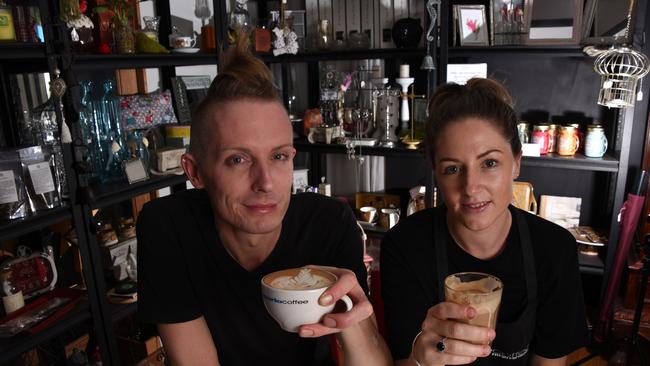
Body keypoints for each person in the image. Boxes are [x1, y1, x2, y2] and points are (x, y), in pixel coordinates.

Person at [136, 36, 391, 366]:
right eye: (237, 160)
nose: (266, 183)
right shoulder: (168, 226)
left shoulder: (328, 223)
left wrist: (352, 319)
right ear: (195, 172)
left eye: (279, 156)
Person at [380, 78, 589, 366]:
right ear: (435, 173)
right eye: (453, 169)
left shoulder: (554, 249)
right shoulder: (405, 247)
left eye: (489, 163)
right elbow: (405, 360)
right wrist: (420, 359)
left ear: (516, 162)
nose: (471, 187)